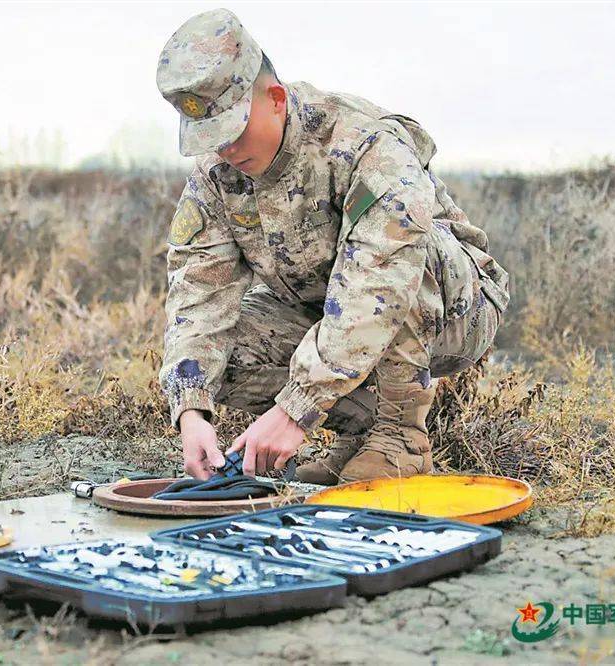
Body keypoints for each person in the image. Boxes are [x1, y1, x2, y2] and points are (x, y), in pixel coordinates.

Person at [156, 8, 510, 485]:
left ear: (276, 99)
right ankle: (364, 431)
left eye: (234, 130)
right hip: (326, 314)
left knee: (399, 248)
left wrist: (296, 409)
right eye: (211, 137)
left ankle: (401, 436)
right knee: (223, 349)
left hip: (453, 311)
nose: (226, 149)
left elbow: (378, 279)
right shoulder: (217, 176)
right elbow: (199, 291)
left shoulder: (365, 143)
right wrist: (191, 411)